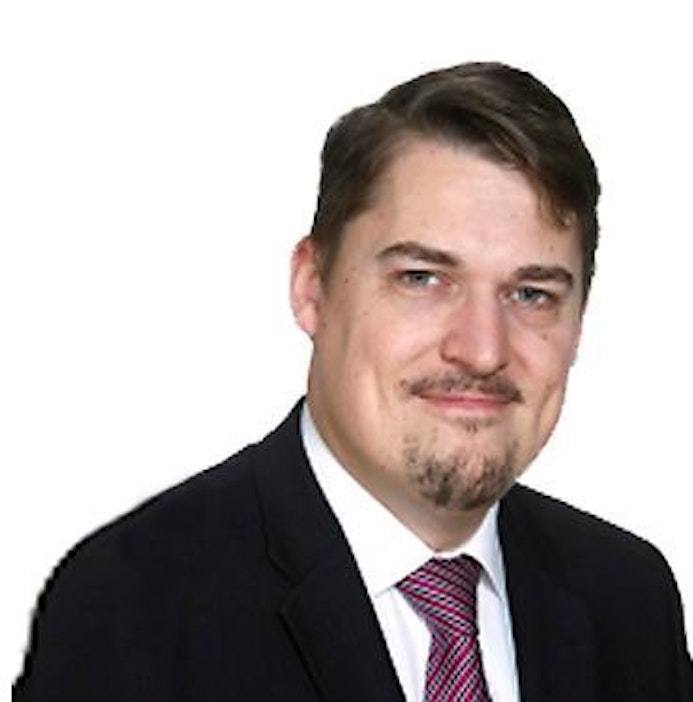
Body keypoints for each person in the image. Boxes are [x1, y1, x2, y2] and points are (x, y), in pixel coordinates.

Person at [14, 62, 692, 701]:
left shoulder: (627, 599)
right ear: (311, 288)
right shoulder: (131, 607)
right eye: (422, 278)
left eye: (532, 294)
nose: (482, 350)